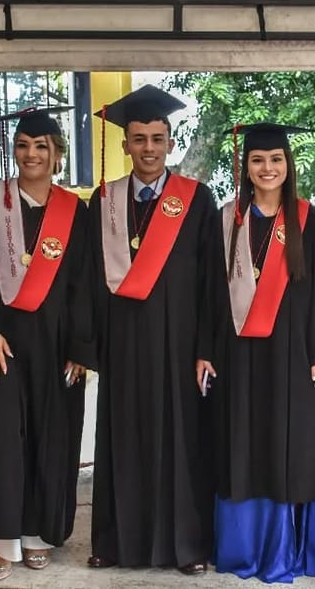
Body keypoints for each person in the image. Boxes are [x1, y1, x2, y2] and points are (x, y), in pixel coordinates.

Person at [0, 106, 94, 582]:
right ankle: (4, 539)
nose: (31, 154)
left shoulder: (76, 211)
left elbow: (84, 285)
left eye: (41, 147)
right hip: (0, 342)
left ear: (57, 156)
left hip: (55, 343)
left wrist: (80, 346)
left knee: (52, 434)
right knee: (2, 436)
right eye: (23, 145)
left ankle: (38, 534)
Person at [87, 85, 224, 574]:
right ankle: (113, 542)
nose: (149, 148)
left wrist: (207, 347)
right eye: (140, 138)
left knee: (181, 444)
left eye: (157, 138)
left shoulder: (196, 200)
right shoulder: (102, 203)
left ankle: (186, 547)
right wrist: (88, 346)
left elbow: (214, 283)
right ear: (126, 143)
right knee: (121, 440)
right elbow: (87, 278)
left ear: (170, 141)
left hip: (180, 343)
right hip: (122, 342)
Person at [204, 122, 315, 583]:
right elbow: (209, 293)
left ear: (289, 165)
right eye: (258, 160)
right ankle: (242, 548)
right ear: (245, 166)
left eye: (276, 160)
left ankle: (287, 548)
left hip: (292, 350)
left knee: (291, 444)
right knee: (241, 440)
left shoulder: (309, 218)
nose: (267, 168)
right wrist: (205, 349)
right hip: (237, 352)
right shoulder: (226, 219)